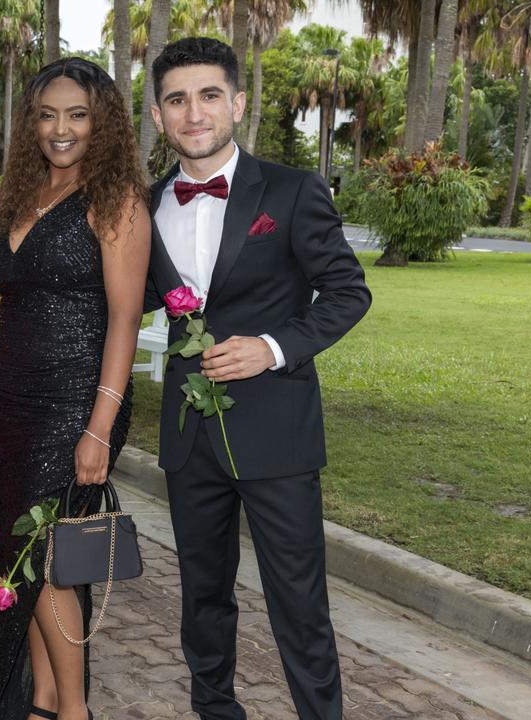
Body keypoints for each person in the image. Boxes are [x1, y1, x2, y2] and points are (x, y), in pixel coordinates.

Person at [143, 38, 372, 720]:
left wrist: (272, 347)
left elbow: (347, 293)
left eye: (209, 95)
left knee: (300, 606)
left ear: (237, 103)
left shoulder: (295, 191)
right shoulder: (142, 205)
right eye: (177, 99)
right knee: (202, 599)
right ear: (158, 117)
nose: (194, 112)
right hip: (190, 440)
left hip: (277, 434)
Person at [0, 58, 150, 720]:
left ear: (101, 123)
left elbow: (126, 319)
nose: (61, 129)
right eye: (47, 115)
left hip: (75, 402)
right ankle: (42, 702)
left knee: (43, 558)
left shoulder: (116, 201)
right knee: (22, 556)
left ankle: (74, 711)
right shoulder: (18, 197)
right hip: (11, 405)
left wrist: (99, 427)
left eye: (77, 115)